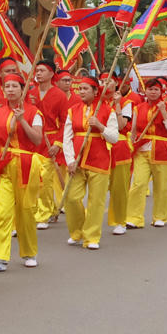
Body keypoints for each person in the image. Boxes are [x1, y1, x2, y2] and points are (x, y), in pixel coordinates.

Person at [0, 73, 45, 270]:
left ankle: (29, 252)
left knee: (26, 212)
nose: (10, 90)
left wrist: (22, 121)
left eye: (14, 86)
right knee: (1, 211)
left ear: (22, 89)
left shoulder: (33, 112)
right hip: (5, 164)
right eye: (7, 86)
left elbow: (37, 140)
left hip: (27, 165)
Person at [62, 76, 119, 249]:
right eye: (80, 89)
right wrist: (70, 160)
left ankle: (92, 237)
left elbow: (114, 137)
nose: (82, 92)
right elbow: (67, 138)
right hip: (77, 161)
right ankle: (77, 231)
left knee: (96, 202)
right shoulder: (73, 110)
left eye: (86, 89)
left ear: (95, 91)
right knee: (71, 198)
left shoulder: (107, 110)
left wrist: (100, 126)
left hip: (99, 160)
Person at [127, 77, 167, 228]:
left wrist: (163, 112)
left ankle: (160, 216)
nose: (153, 92)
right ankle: (134, 218)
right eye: (150, 89)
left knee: (162, 186)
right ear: (145, 91)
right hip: (142, 150)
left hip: (162, 149)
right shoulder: (138, 108)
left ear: (161, 91)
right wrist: (131, 145)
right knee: (138, 184)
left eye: (156, 89)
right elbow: (133, 130)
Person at [28, 60, 68, 228]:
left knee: (45, 178)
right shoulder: (31, 93)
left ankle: (43, 213)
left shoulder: (59, 95)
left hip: (50, 140)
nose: (38, 73)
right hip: (34, 140)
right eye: (37, 70)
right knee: (34, 179)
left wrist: (58, 143)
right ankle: (49, 209)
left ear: (51, 73)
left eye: (42, 70)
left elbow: (65, 122)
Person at [105, 73, 138, 234]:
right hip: (98, 147)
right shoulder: (95, 102)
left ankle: (120, 221)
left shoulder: (126, 103)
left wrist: (117, 104)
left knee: (119, 187)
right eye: (102, 81)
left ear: (116, 83)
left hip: (119, 146)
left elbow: (121, 125)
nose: (104, 83)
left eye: (108, 81)